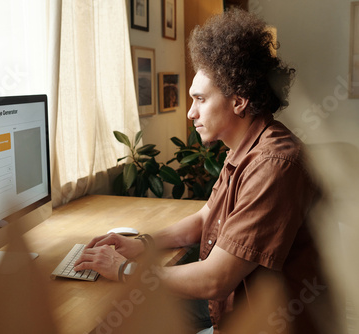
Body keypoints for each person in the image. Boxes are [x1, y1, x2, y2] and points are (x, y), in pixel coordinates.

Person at [74, 9, 337, 333]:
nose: (190, 112)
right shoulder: (245, 148)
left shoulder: (274, 165)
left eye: (200, 99)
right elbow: (204, 218)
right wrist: (143, 244)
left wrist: (125, 269)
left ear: (239, 100)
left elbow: (215, 278)